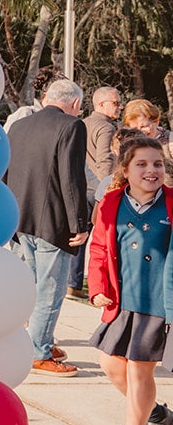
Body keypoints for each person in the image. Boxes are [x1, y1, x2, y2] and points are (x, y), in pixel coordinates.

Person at [86, 133, 173, 425]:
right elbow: (98, 249)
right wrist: (97, 288)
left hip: (158, 303)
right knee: (111, 365)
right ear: (126, 168)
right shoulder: (111, 203)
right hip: (122, 301)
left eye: (157, 164)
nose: (151, 170)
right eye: (142, 164)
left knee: (139, 372)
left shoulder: (170, 202)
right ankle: (157, 414)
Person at [6, 79, 92, 378]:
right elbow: (72, 179)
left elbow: (7, 171)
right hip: (52, 221)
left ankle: (30, 341)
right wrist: (79, 224)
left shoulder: (19, 126)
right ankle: (39, 351)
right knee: (49, 291)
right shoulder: (71, 126)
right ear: (76, 104)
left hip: (20, 217)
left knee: (25, 288)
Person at [74, 87, 122, 299]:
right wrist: (106, 188)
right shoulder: (105, 128)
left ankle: (73, 283)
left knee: (80, 234)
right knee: (99, 238)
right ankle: (82, 284)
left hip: (82, 185)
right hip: (97, 188)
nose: (119, 106)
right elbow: (105, 159)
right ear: (101, 104)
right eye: (116, 102)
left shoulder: (82, 123)